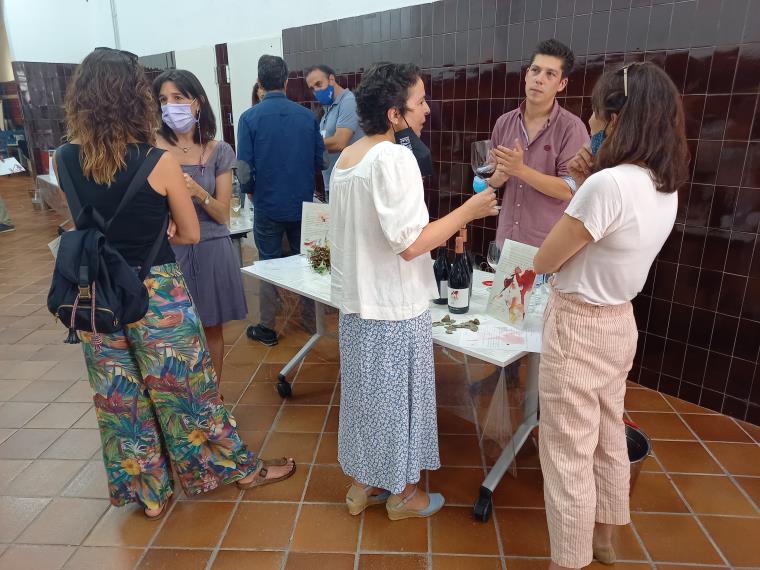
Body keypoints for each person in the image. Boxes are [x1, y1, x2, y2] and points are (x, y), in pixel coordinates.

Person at [56, 48, 296, 520]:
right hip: (156, 293)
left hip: (98, 293)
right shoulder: (157, 160)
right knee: (188, 390)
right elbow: (189, 233)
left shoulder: (63, 158)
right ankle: (236, 471)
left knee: (120, 399)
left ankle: (150, 494)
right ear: (132, 100)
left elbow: (82, 224)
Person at [533, 62, 689, 569]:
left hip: (578, 324)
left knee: (566, 454)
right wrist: (588, 181)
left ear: (616, 117)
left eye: (597, 110)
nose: (591, 120)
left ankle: (568, 560)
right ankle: (603, 540)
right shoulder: (662, 183)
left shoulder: (607, 186)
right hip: (620, 321)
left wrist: (583, 184)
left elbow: (545, 260)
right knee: (606, 437)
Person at [329, 62, 498, 520]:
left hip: (358, 308)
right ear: (394, 115)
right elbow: (411, 244)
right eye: (420, 101)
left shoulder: (347, 158)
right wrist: (469, 210)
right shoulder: (394, 157)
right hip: (395, 308)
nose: (428, 109)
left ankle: (365, 482)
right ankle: (404, 493)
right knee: (400, 403)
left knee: (367, 399)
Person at [152, 69, 247, 385]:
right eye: (164, 100)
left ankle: (214, 400)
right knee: (175, 330)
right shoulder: (152, 149)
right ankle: (185, 402)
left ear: (197, 103)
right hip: (171, 250)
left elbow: (223, 215)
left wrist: (197, 192)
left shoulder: (218, 150)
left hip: (211, 248)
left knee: (211, 327)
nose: (170, 107)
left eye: (178, 98)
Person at [237, 55, 324, 346]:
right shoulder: (307, 117)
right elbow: (320, 160)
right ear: (286, 83)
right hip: (302, 205)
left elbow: (244, 169)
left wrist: (250, 190)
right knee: (309, 262)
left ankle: (267, 328)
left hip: (268, 206)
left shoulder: (249, 119)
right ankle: (313, 323)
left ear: (260, 84)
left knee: (268, 265)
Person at [488, 39, 589, 248]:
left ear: (562, 84)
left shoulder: (571, 128)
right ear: (526, 75)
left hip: (547, 248)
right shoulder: (504, 123)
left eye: (550, 74)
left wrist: (520, 170)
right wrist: (496, 178)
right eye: (535, 70)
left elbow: (571, 189)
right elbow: (487, 181)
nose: (539, 79)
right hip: (506, 243)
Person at [305, 64, 364, 200]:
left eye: (319, 84)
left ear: (331, 79)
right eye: (312, 88)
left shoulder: (348, 101)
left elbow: (340, 142)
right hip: (332, 185)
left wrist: (307, 143)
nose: (316, 91)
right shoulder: (328, 110)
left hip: (348, 186)